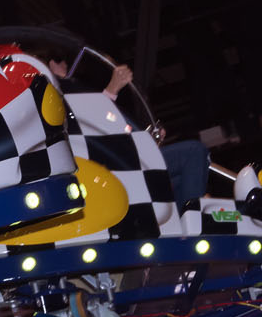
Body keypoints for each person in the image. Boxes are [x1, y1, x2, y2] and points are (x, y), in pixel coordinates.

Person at [48, 56, 210, 211]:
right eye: (58, 60)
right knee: (193, 152)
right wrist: (112, 89)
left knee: (182, 178)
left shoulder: (68, 94)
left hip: (116, 164)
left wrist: (148, 142)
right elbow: (83, 126)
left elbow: (106, 136)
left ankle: (186, 222)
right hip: (103, 171)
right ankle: (194, 218)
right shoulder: (53, 99)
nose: (65, 65)